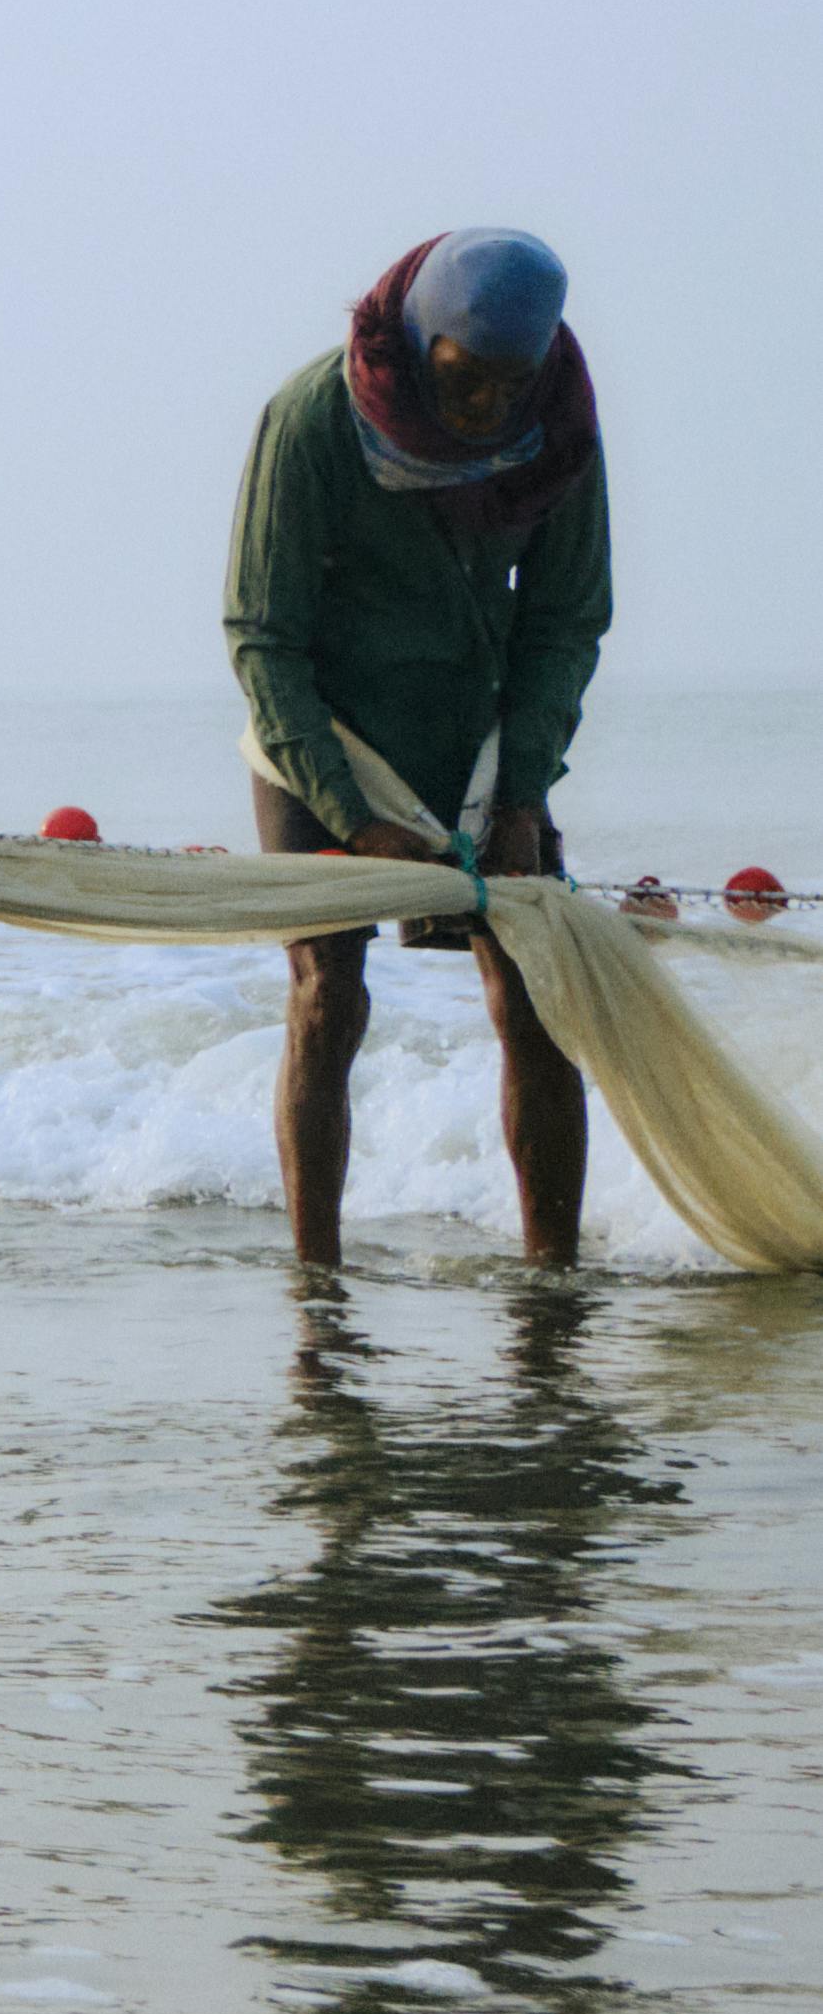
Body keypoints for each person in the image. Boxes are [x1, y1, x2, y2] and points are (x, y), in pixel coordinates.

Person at [229, 226, 611, 1272]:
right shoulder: (314, 417)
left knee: (531, 992)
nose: (485, 408)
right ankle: (317, 1285)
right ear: (416, 337)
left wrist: (522, 789)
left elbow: (565, 620)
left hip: (474, 734)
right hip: (323, 734)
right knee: (325, 994)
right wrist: (352, 817)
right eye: (462, 377)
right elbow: (261, 634)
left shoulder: (557, 425)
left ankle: (551, 1287)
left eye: (507, 383)